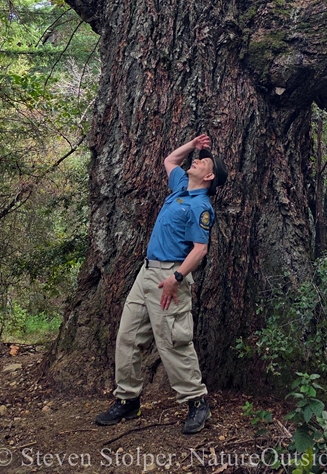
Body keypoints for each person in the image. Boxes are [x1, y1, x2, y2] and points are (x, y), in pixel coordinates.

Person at [94, 134, 227, 434]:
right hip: (146, 273)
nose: (196, 161)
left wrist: (176, 278)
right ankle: (128, 400)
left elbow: (200, 249)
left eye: (203, 161)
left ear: (209, 177)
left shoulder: (200, 206)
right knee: (128, 336)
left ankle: (197, 402)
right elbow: (169, 160)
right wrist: (192, 145)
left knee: (173, 342)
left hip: (170, 276)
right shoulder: (180, 187)